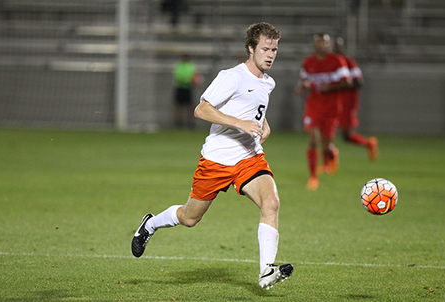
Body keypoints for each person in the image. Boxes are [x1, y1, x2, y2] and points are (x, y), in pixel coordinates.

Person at [132, 22, 293, 290]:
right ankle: (151, 224)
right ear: (251, 48)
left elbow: (255, 109)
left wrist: (264, 125)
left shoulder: (268, 82)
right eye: (265, 49)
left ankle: (266, 270)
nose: (271, 54)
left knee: (272, 204)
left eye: (274, 49)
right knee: (190, 218)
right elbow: (202, 110)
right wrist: (239, 123)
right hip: (217, 160)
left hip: (250, 157)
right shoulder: (231, 76)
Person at [296, 33, 351, 191]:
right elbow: (303, 79)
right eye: (320, 42)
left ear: (329, 44)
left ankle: (332, 153)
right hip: (314, 106)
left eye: (325, 42)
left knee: (325, 145)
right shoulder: (308, 62)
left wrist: (330, 87)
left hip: (332, 108)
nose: (323, 45)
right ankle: (313, 177)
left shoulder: (337, 61)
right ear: (315, 44)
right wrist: (301, 88)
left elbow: (347, 82)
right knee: (313, 139)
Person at [333, 37, 378, 161]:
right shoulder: (330, 62)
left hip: (347, 101)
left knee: (346, 135)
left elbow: (359, 81)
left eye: (338, 46)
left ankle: (369, 143)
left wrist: (340, 85)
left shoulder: (349, 62)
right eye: (334, 46)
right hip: (331, 100)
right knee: (323, 131)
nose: (335, 48)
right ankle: (329, 160)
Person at [172, 54, 200, 128]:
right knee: (179, 106)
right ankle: (179, 122)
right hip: (180, 87)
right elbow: (178, 75)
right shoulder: (179, 65)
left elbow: (194, 75)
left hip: (188, 87)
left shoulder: (190, 66)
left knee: (189, 106)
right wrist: (186, 80)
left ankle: (190, 122)